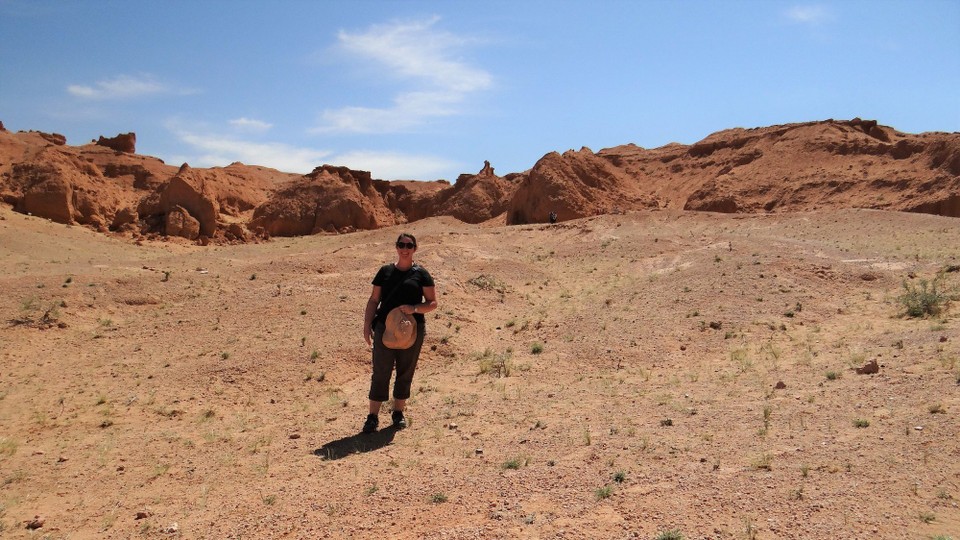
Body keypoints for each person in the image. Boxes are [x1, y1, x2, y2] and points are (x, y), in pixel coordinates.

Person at [362, 233, 437, 433]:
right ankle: (372, 417)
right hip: (384, 328)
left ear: (415, 248)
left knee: (406, 371)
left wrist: (414, 308)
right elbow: (373, 300)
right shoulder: (384, 272)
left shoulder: (422, 274)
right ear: (396, 247)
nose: (405, 248)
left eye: (409, 245)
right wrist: (367, 325)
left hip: (412, 330)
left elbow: (432, 303)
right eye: (401, 245)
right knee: (380, 371)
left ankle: (398, 413)